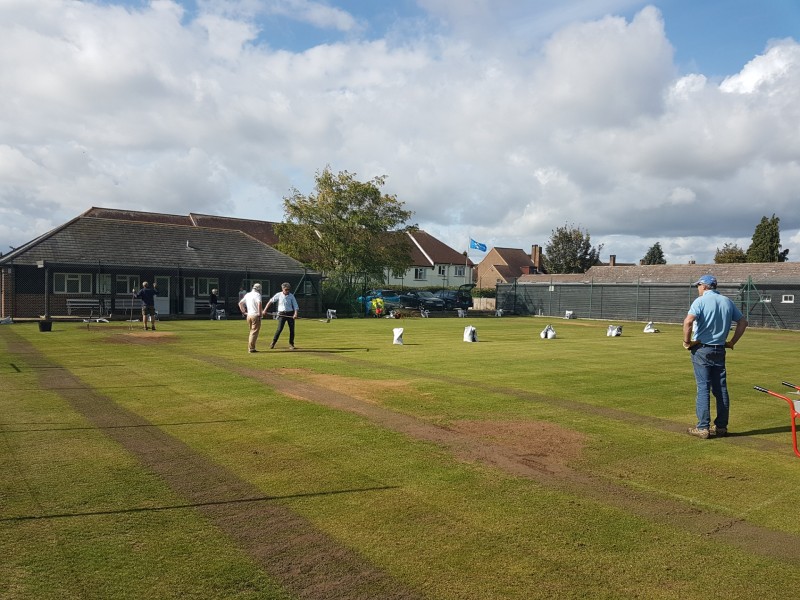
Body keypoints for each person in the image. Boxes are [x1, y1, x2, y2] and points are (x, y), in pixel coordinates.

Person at [682, 274, 748, 439]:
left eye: (699, 285)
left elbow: (688, 322)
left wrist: (687, 341)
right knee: (721, 389)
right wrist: (732, 342)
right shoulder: (727, 301)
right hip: (720, 348)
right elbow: (743, 322)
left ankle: (703, 427)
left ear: (704, 286)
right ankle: (721, 427)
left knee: (703, 387)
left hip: (702, 348)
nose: (698, 288)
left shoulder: (700, 301)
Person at [264, 282, 299, 349]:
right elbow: (271, 301)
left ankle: (291, 344)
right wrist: (265, 310)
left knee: (292, 330)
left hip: (290, 314)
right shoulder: (279, 295)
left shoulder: (291, 296)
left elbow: (295, 305)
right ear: (282, 289)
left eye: (288, 289)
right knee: (279, 329)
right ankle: (273, 342)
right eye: (286, 289)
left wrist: (295, 314)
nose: (287, 291)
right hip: (282, 314)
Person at [238, 283, 263, 353]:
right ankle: (251, 348)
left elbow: (240, 303)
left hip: (249, 315)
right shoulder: (257, 295)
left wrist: (244, 312)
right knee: (254, 332)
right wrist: (260, 313)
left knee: (251, 331)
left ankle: (251, 347)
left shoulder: (248, 294)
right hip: (255, 315)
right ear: (259, 289)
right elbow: (259, 303)